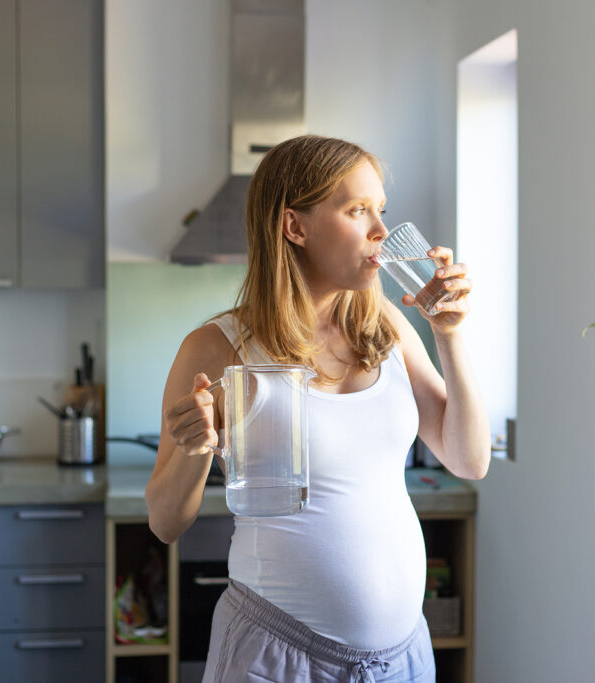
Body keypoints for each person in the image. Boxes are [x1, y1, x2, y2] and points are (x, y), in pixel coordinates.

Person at [145, 135, 490, 682]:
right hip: (276, 653)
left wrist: (450, 336)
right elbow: (165, 523)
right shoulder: (217, 346)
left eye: (381, 210)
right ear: (294, 227)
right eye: (357, 211)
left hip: (402, 657)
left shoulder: (390, 327)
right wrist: (195, 449)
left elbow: (470, 460)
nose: (380, 230)